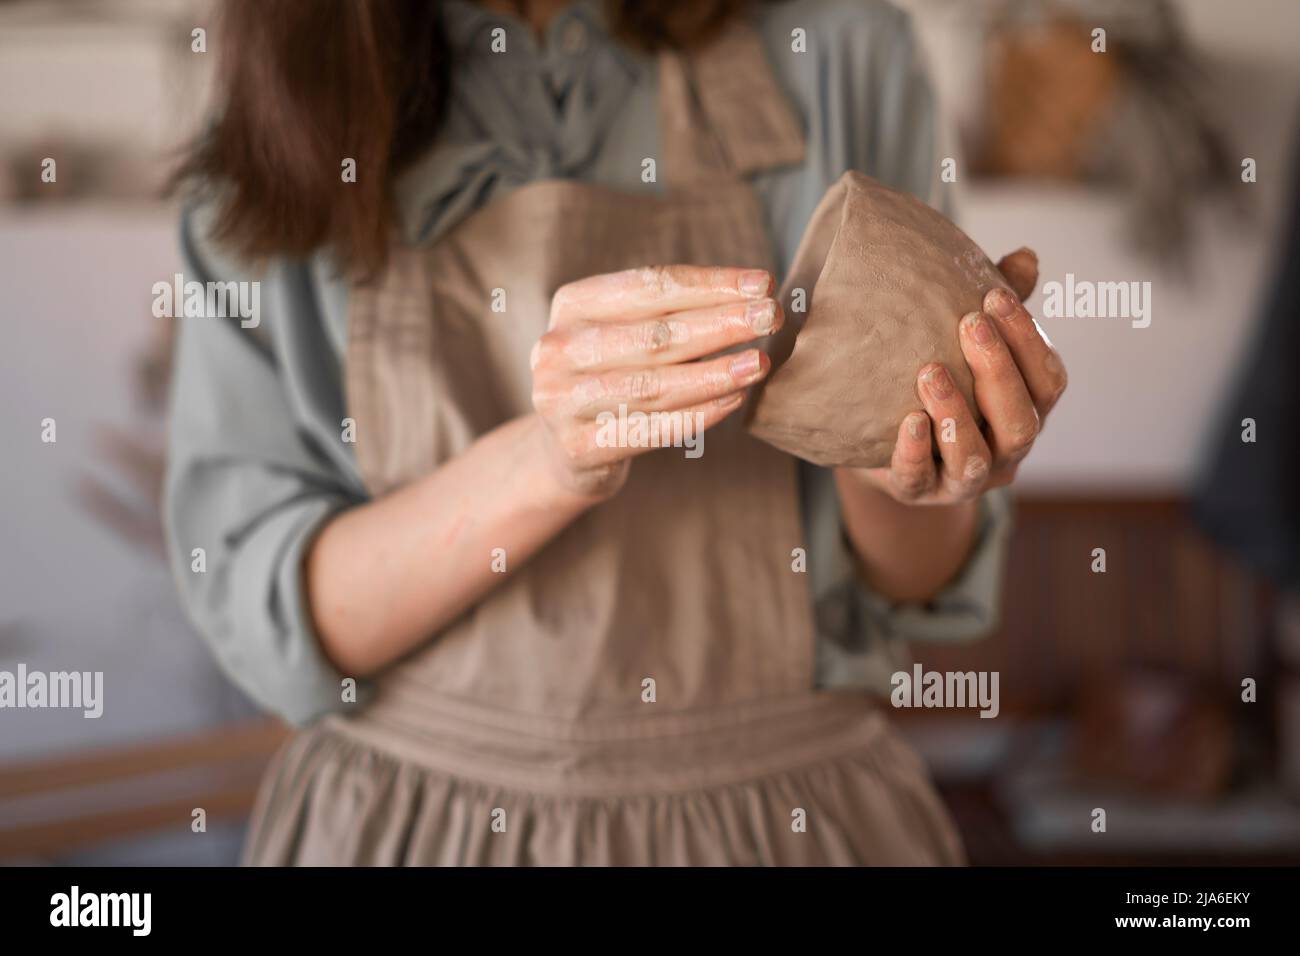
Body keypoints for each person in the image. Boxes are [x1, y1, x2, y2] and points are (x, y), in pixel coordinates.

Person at [164, 0, 1067, 865]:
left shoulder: (844, 52)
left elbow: (916, 575)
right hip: (418, 821)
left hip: (787, 818)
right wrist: (547, 460)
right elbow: (268, 610)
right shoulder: (296, 107)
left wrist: (906, 469)